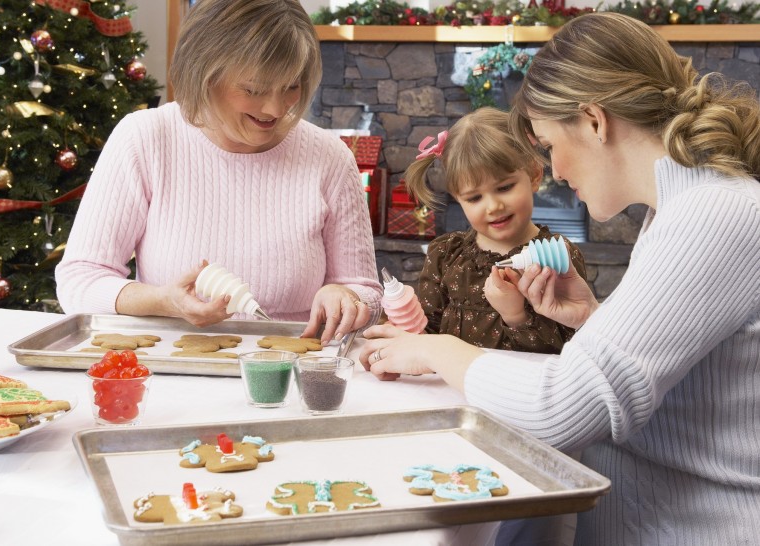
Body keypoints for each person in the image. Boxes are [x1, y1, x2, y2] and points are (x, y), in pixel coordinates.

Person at [361, 12, 759, 544]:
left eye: (548, 147)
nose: (557, 172)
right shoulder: (680, 207)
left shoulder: (714, 214)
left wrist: (438, 350)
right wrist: (594, 319)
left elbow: (567, 409)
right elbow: (686, 378)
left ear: (595, 120)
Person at [55, 0, 381, 344]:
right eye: (253, 89)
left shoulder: (329, 157)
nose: (275, 108)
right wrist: (163, 301)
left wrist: (348, 298)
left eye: (291, 86)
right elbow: (81, 280)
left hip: (293, 374)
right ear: (204, 75)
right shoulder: (146, 138)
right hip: (171, 370)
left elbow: (367, 292)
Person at [403, 107, 586, 352]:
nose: (493, 206)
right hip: (448, 390)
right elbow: (427, 336)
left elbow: (571, 351)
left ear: (533, 175)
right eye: (474, 198)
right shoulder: (445, 255)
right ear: (458, 198)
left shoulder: (558, 257)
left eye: (504, 188)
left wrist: (516, 316)